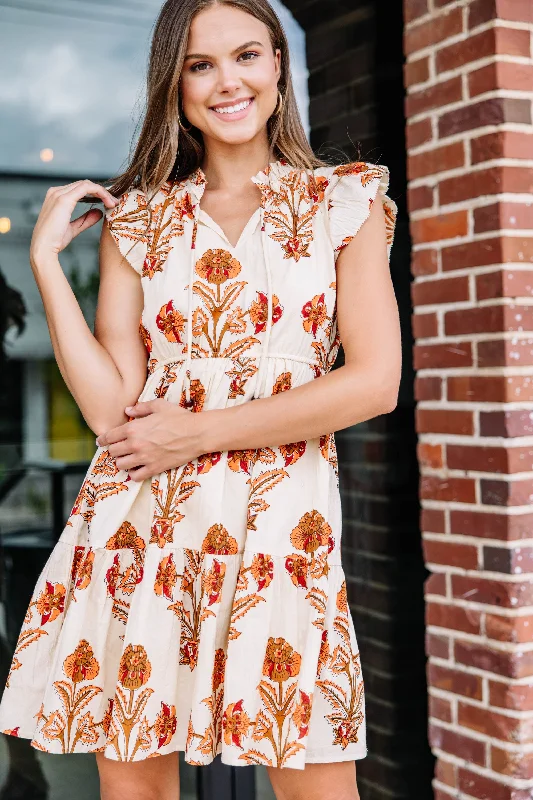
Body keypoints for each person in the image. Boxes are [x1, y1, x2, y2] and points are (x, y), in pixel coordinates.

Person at [0, 1, 401, 798]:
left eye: (247, 55)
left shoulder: (342, 204)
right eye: (200, 64)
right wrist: (45, 266)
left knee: (316, 781)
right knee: (136, 785)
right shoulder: (139, 222)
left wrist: (200, 432)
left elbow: (375, 382)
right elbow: (114, 413)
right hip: (141, 523)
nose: (227, 82)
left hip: (284, 531)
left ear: (278, 67)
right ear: (174, 83)